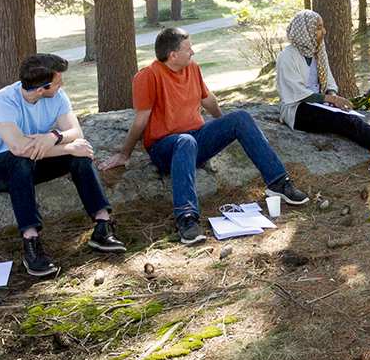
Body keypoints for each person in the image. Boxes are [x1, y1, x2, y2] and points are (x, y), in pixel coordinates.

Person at [102, 26, 309, 246]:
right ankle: (186, 218)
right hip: (165, 148)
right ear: (173, 55)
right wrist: (124, 155)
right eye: (188, 49)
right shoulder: (147, 76)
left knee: (240, 117)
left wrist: (225, 125)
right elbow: (141, 120)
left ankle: (278, 182)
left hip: (196, 139)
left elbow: (207, 98)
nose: (193, 53)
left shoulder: (192, 68)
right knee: (185, 141)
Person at [0, 53, 123, 278]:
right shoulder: (4, 101)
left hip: (33, 160)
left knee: (80, 152)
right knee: (23, 160)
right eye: (58, 81)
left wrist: (54, 136)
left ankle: (102, 226)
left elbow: (75, 132)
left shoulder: (57, 95)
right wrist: (67, 147)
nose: (63, 84)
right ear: (41, 88)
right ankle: (31, 243)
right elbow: (20, 148)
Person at [276, 10, 370, 165]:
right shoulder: (288, 56)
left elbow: (328, 81)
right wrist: (332, 99)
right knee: (347, 121)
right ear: (305, 31)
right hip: (297, 110)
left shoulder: (317, 51)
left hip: (320, 104)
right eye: (318, 28)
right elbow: (297, 93)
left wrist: (331, 96)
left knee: (351, 121)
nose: (324, 31)